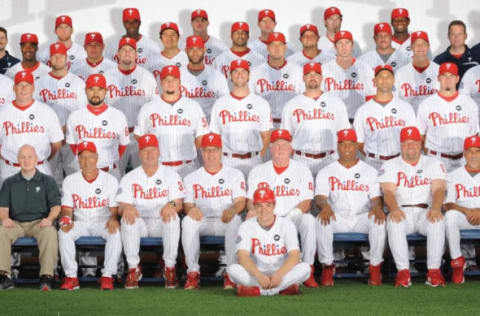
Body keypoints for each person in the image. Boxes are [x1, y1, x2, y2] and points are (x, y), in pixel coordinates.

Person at [247, 129, 318, 288]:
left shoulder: (302, 170)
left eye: (284, 145)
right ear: (270, 148)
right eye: (276, 145)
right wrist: (254, 211)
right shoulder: (258, 171)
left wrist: (292, 217)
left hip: (293, 217)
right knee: (250, 218)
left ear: (291, 148)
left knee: (308, 220)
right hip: (266, 217)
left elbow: (307, 201)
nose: (280, 149)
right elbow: (250, 201)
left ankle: (308, 269)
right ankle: (255, 270)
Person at [378, 126, 447, 287]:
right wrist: (394, 208)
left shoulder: (434, 163)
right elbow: (388, 192)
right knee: (393, 221)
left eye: (414, 142)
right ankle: (403, 272)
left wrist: (436, 208)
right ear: (400, 144)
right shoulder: (390, 165)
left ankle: (434, 272)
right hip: (402, 210)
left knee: (438, 221)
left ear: (421, 143)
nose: (411, 146)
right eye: (406, 143)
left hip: (426, 211)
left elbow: (439, 189)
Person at [315, 129, 385, 286]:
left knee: (378, 220)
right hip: (338, 218)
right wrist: (324, 206)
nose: (346, 148)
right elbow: (320, 197)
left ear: (356, 146)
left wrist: (377, 207)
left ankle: (375, 268)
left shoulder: (369, 171)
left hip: (361, 217)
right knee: (321, 220)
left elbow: (375, 198)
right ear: (337, 147)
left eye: (350, 144)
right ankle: (327, 266)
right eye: (342, 144)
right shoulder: (326, 171)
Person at [116, 134, 184, 289]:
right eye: (145, 151)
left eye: (153, 150)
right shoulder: (130, 177)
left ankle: (170, 268)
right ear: (139, 154)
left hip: (161, 222)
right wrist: (127, 207)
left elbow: (179, 202)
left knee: (173, 217)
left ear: (159, 152)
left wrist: (171, 204)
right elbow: (120, 206)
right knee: (127, 217)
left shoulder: (171, 174)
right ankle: (133, 269)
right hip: (140, 224)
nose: (149, 154)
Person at [181, 133, 246, 289]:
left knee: (236, 220)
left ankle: (231, 272)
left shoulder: (234, 174)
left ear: (221, 151)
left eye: (214, 150)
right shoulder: (191, 177)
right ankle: (192, 273)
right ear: (201, 152)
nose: (210, 154)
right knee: (187, 221)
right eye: (207, 150)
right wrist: (191, 209)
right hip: (202, 221)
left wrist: (233, 210)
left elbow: (240, 202)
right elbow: (187, 204)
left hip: (224, 220)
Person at [58, 141, 122, 290]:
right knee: (63, 232)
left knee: (116, 232)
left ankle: (107, 276)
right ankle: (71, 276)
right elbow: (67, 209)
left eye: (90, 157)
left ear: (97, 158)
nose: (87, 161)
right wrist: (67, 219)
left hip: (102, 222)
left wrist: (113, 219)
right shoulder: (70, 181)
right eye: (83, 157)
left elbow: (114, 209)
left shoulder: (110, 180)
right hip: (81, 222)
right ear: (78, 160)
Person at [226, 186, 310, 296]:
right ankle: (281, 289)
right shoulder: (246, 226)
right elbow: (243, 256)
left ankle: (259, 291)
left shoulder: (286, 224)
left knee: (305, 268)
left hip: (281, 271)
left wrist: (279, 275)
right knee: (232, 269)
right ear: (254, 207)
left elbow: (294, 255)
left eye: (268, 205)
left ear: (274, 205)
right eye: (259, 205)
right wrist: (258, 275)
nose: (263, 210)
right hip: (256, 272)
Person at [0, 145, 61, 291]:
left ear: (36, 159)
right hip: (16, 223)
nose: (26, 160)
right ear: (18, 160)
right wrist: (4, 219)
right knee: (1, 231)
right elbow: (3, 209)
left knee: (50, 232)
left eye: (29, 157)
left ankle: (47, 277)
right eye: (22, 157)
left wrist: (50, 219)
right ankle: (3, 276)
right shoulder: (9, 182)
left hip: (39, 223)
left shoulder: (48, 181)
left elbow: (56, 207)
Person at [134, 65, 209, 178]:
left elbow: (201, 137)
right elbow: (139, 135)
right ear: (161, 83)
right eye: (166, 80)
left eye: (174, 80)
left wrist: (187, 148)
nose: (170, 83)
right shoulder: (148, 108)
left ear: (179, 82)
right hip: (159, 167)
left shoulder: (193, 106)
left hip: (187, 167)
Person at [282, 62, 350, 176]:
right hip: (301, 159)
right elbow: (285, 138)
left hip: (329, 158)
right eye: (309, 74)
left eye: (316, 74)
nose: (312, 77)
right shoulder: (291, 104)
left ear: (321, 78)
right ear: (303, 78)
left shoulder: (336, 102)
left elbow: (344, 135)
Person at [104, 37, 158, 173]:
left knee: (144, 176)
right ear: (118, 54)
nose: (127, 53)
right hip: (114, 136)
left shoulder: (147, 77)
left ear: (136, 54)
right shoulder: (107, 77)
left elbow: (155, 108)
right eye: (123, 50)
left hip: (139, 135)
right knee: (113, 177)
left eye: (131, 50)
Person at [210, 59, 271, 177]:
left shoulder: (261, 103)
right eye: (236, 71)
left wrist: (258, 155)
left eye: (243, 71)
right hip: (228, 160)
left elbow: (266, 136)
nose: (239, 74)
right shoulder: (220, 103)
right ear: (230, 76)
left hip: (254, 159)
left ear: (249, 76)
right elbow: (215, 136)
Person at [0, 71, 63, 183]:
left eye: (27, 85)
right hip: (11, 170)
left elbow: (56, 144)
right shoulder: (3, 112)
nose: (23, 89)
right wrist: (7, 157)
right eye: (20, 85)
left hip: (40, 169)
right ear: (14, 88)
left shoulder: (47, 111)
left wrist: (42, 159)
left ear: (33, 88)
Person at [417, 62, 479, 172]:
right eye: (444, 76)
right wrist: (432, 155)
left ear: (457, 79)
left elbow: (474, 135)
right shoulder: (426, 104)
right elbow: (420, 136)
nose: (448, 80)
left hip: (463, 160)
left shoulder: (469, 103)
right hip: (436, 159)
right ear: (438, 78)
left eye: (451, 76)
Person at [66, 74, 129, 180]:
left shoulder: (118, 116)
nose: (95, 93)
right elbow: (73, 146)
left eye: (100, 89)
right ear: (85, 91)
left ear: (106, 91)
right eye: (91, 89)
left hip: (110, 171)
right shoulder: (75, 116)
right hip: (83, 172)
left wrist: (109, 160)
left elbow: (122, 145)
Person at [354, 65, 417, 170]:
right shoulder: (363, 110)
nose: (385, 80)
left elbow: (413, 139)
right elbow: (359, 142)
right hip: (373, 162)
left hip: (399, 160)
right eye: (381, 77)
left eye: (388, 76)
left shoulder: (405, 107)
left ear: (393, 81)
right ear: (374, 81)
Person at [444, 135, 480, 284]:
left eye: (477, 151)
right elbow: (448, 204)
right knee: (450, 215)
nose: (473, 155)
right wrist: (468, 211)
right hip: (464, 217)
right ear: (464, 154)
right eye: (469, 151)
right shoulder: (453, 175)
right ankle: (457, 263)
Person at [249, 32, 303, 128]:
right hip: (263, 124)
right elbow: (250, 100)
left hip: (291, 123)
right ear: (267, 48)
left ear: (285, 47)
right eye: (273, 45)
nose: (277, 48)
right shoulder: (256, 72)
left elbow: (303, 99)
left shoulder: (297, 70)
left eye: (280, 45)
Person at [321, 31, 375, 122]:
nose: (343, 46)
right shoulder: (324, 69)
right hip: (333, 120)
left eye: (347, 42)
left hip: (358, 120)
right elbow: (320, 98)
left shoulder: (365, 68)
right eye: (340, 43)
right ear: (335, 46)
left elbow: (372, 96)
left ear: (352, 45)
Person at [181, 35, 229, 119]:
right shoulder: (178, 75)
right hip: (186, 122)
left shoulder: (216, 76)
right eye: (191, 49)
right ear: (186, 51)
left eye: (199, 49)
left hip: (211, 124)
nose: (195, 53)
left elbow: (225, 103)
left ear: (204, 50)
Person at [395, 31, 439, 113]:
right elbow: (395, 101)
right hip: (409, 120)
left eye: (423, 44)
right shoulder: (401, 73)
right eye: (416, 44)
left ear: (428, 46)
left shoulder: (439, 70)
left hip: (434, 119)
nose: (420, 47)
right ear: (411, 47)